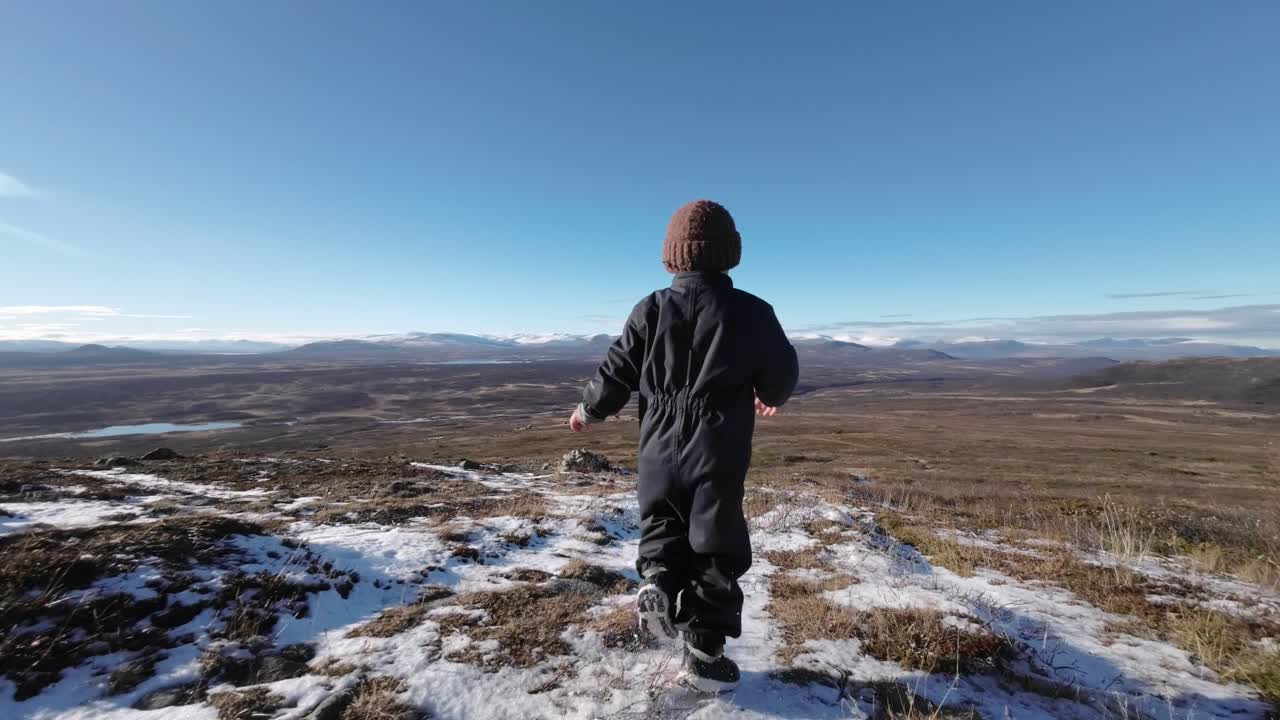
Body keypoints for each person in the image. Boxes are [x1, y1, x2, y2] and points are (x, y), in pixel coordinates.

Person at [568, 199, 798, 692]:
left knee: (661, 520)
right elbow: (781, 372)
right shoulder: (753, 312)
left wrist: (590, 410)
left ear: (673, 256)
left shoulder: (649, 308)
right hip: (717, 445)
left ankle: (657, 582)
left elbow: (616, 372)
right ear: (730, 253)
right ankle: (704, 654)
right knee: (715, 541)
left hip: (656, 445)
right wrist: (769, 394)